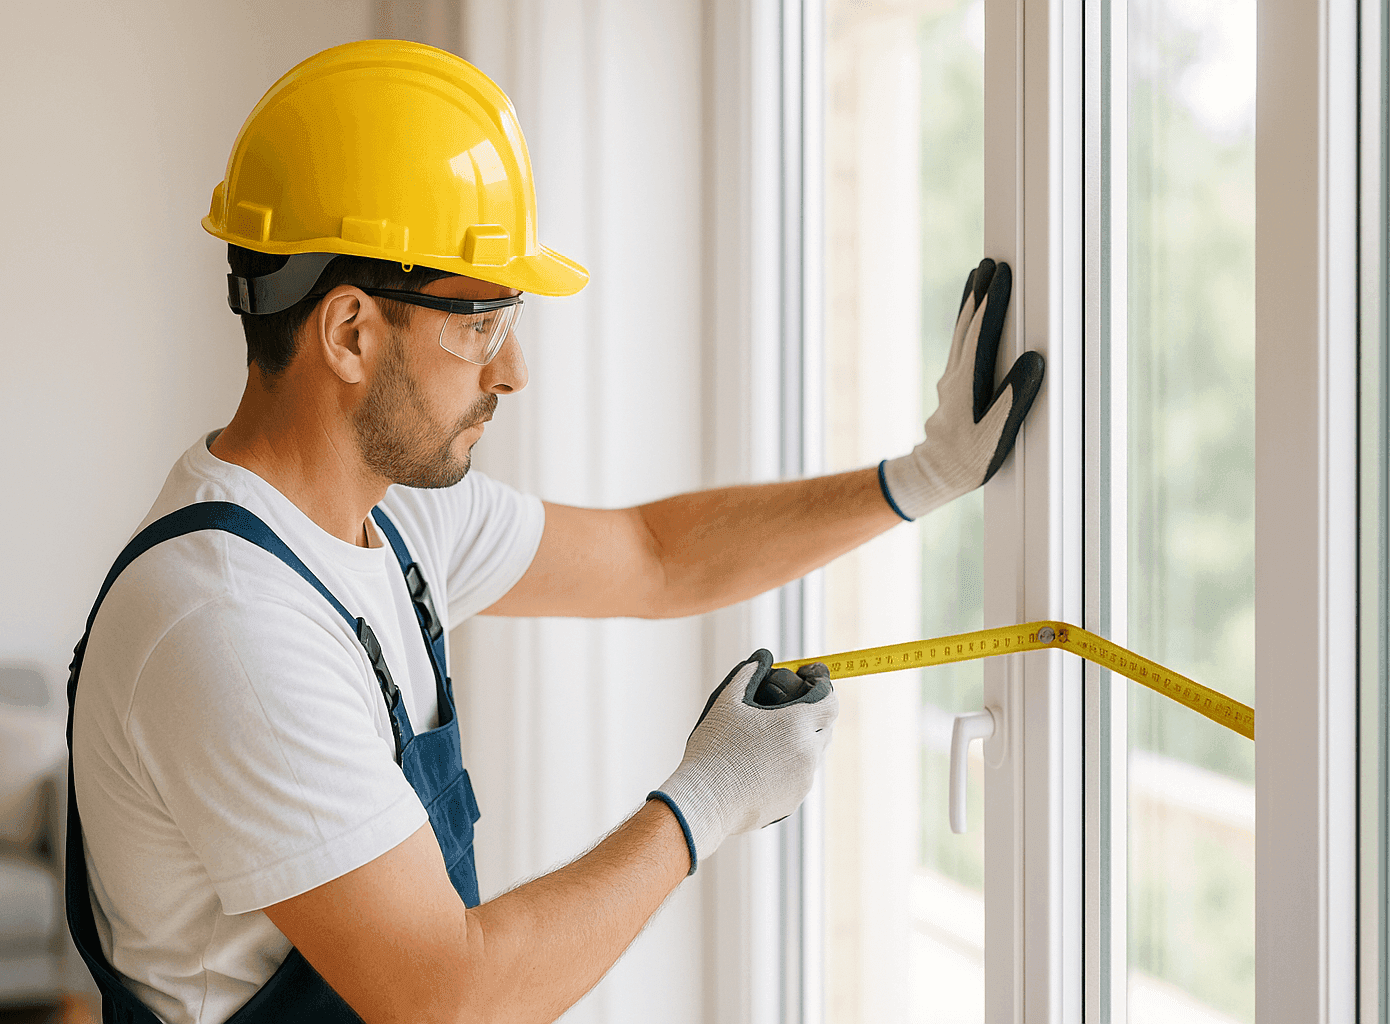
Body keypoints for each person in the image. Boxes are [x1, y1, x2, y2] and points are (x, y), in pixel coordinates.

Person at [65, 39, 1043, 1024]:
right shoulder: (229, 623)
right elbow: (447, 995)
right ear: (350, 331)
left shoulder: (396, 518)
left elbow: (657, 560)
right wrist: (704, 804)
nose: (513, 368)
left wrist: (918, 479)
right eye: (482, 321)